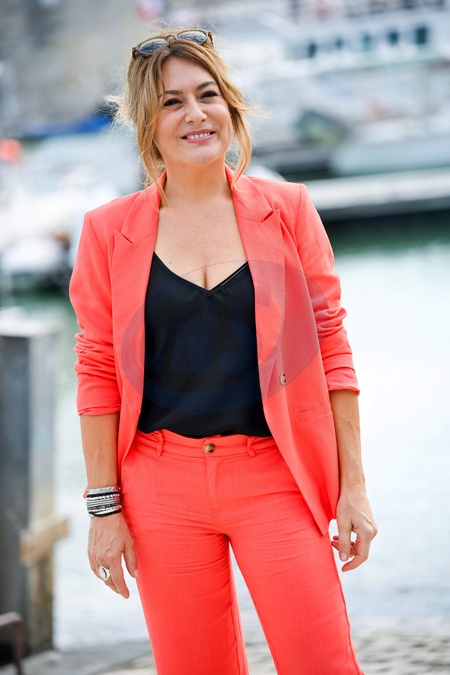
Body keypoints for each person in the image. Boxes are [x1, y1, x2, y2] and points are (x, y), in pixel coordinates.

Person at [69, 27, 377, 675]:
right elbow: (97, 373)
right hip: (159, 487)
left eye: (207, 94)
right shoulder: (107, 232)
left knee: (322, 663)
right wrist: (105, 510)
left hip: (275, 476)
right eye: (172, 101)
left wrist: (353, 487)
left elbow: (332, 349)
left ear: (230, 105)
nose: (196, 113)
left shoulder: (288, 209)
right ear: (147, 123)